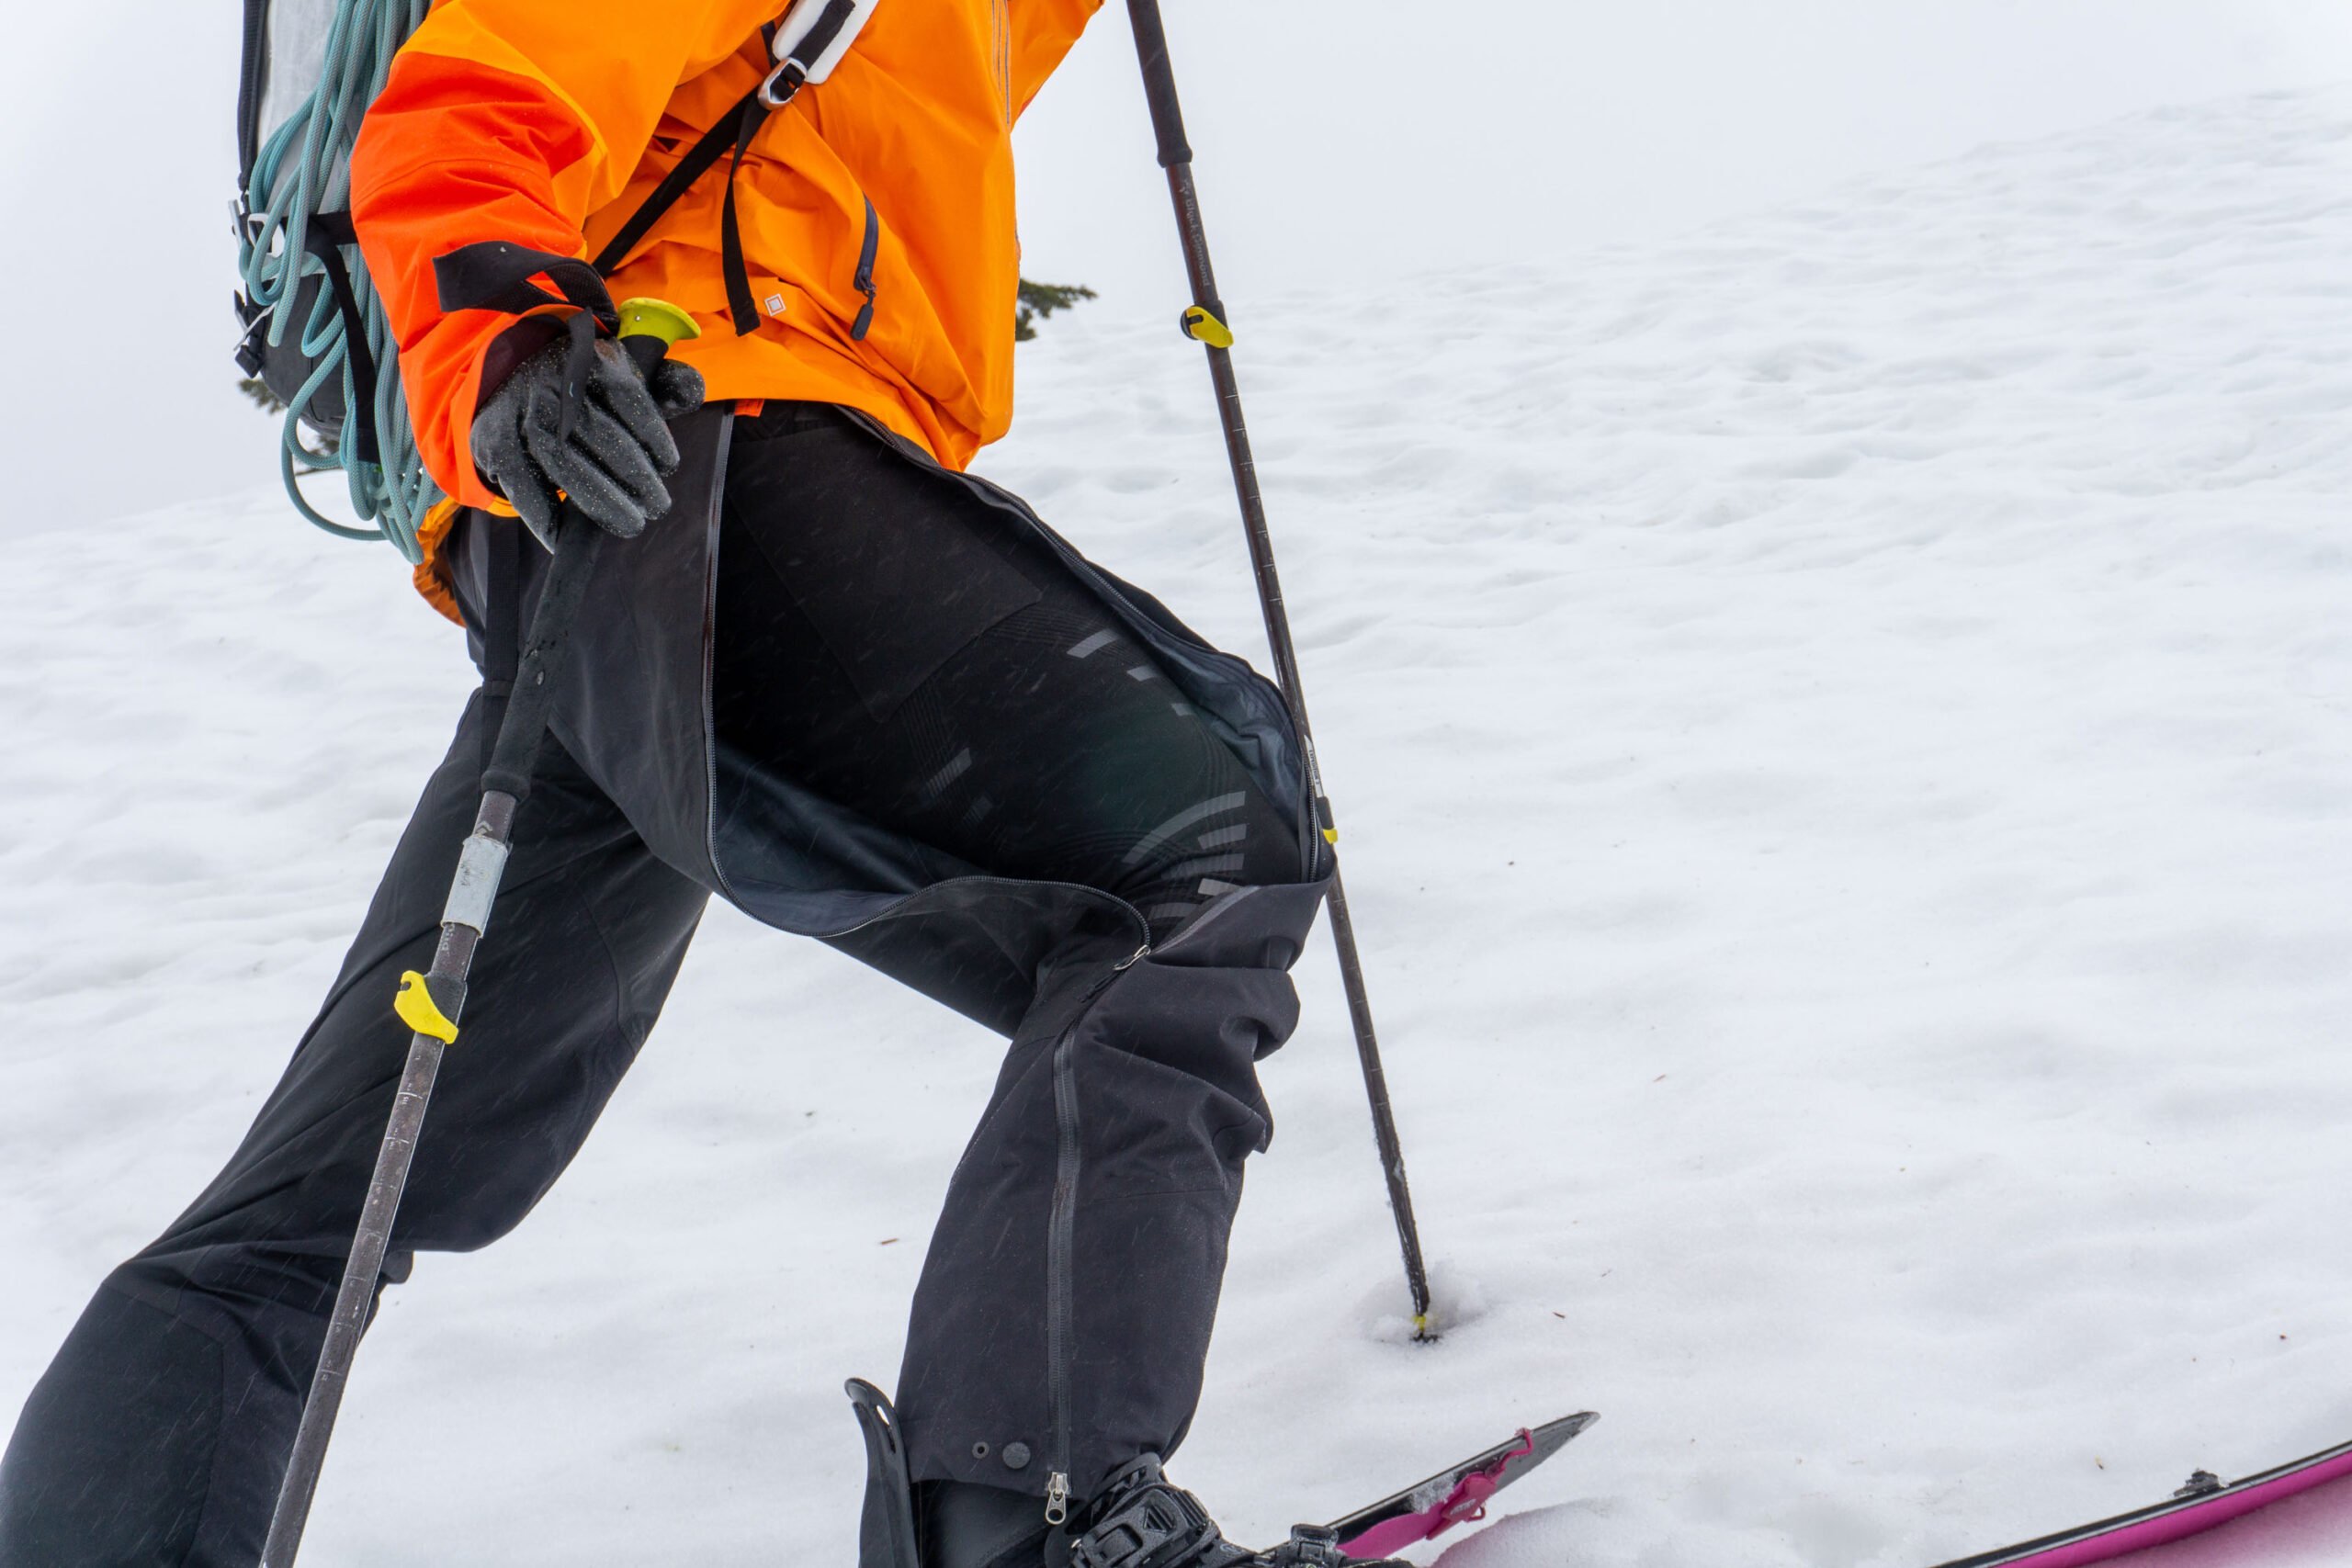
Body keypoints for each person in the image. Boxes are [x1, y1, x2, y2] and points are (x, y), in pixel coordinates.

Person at [0, 3, 1363, 1566]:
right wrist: (512, 341)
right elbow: (467, 103)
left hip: (594, 548)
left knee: (334, 1192)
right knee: (1209, 838)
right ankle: (1029, 1527)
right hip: (688, 452)